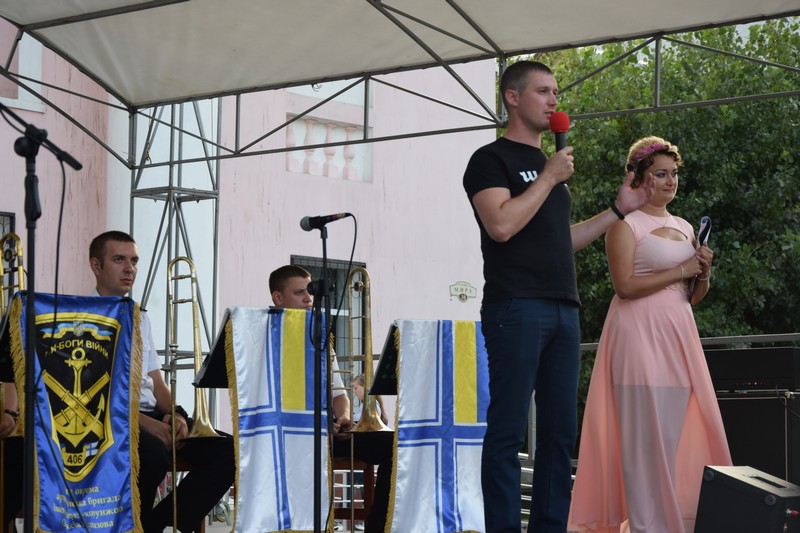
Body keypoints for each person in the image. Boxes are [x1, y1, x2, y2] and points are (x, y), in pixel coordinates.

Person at [462, 60, 655, 533]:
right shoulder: (490, 159)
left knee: (559, 433)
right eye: (543, 91)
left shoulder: (552, 171)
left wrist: (618, 210)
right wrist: (547, 177)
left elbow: (559, 240)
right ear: (512, 98)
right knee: (508, 429)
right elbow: (501, 225)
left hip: (563, 307)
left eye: (556, 92)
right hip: (515, 305)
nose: (554, 101)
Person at [568, 137, 731, 533]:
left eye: (673, 173)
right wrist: (683, 269)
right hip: (637, 338)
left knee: (672, 436)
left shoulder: (685, 226)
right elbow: (624, 286)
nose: (670, 181)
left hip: (678, 339)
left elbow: (692, 297)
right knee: (643, 441)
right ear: (639, 177)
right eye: (660, 174)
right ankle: (645, 525)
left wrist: (704, 271)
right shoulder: (624, 224)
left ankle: (667, 521)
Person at [90, 230, 235, 532]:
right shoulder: (82, 317)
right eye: (119, 260)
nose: (129, 268)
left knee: (230, 451)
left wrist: (177, 414)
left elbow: (156, 383)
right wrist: (147, 424)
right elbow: (96, 395)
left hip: (152, 416)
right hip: (110, 420)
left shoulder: (140, 317)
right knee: (153, 455)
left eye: (134, 261)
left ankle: (155, 523)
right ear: (96, 265)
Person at [269, 265, 393, 533]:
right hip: (286, 437)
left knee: (393, 445)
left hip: (327, 435)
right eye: (299, 293)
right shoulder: (263, 337)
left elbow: (339, 394)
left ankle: (378, 529)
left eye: (310, 291)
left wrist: (344, 417)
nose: (308, 299)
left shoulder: (321, 337)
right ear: (278, 298)